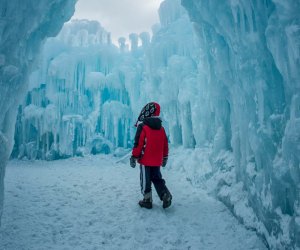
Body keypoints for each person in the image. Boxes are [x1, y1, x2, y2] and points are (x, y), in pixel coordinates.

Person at [130, 102, 172, 209]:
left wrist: (134, 156)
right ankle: (165, 194)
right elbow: (165, 144)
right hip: (157, 159)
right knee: (157, 178)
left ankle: (147, 200)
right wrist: (165, 157)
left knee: (145, 179)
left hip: (145, 159)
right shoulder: (161, 128)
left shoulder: (143, 126)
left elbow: (138, 143)